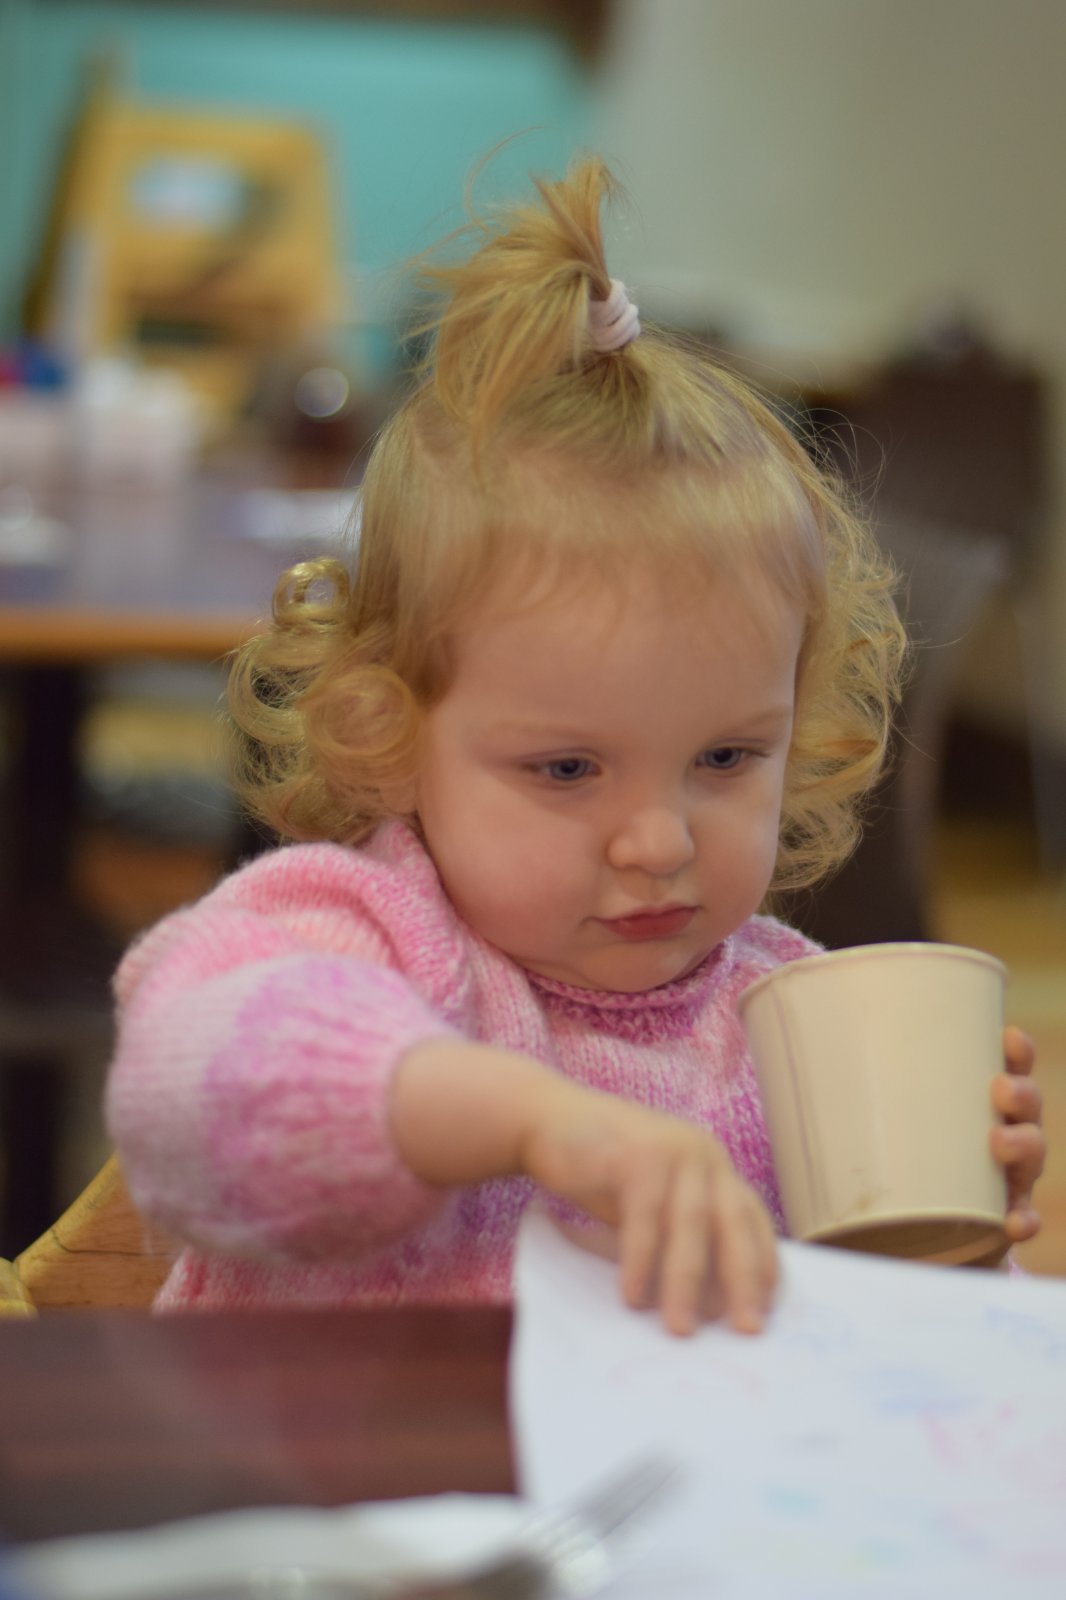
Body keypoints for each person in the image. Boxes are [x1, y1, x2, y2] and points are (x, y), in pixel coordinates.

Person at [105, 157, 1045, 1336]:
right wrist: (532, 1120)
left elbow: (856, 1357)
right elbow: (185, 1092)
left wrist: (949, 1253)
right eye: (565, 769)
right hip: (333, 1449)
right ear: (391, 732)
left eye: (724, 759)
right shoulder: (364, 935)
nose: (658, 843)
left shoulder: (785, 1018)